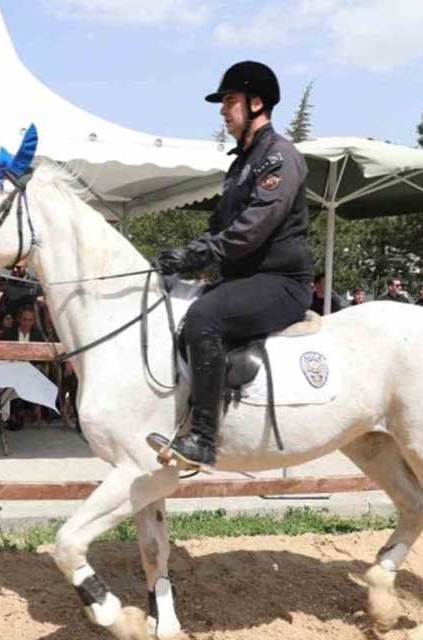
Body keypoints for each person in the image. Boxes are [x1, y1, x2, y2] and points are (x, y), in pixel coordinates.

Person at [147, 61, 313, 469]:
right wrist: (184, 255)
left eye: (230, 101)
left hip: (280, 281)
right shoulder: (242, 163)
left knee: (204, 317)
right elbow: (221, 226)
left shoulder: (280, 158)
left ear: (257, 103)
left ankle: (203, 438)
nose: (223, 111)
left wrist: (199, 256)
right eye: (224, 103)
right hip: (246, 278)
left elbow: (252, 229)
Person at [0, 261, 42, 330]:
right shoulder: (7, 282)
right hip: (9, 322)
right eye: (13, 267)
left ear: (25, 267)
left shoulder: (34, 283)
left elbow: (40, 303)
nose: (15, 270)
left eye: (18, 268)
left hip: (28, 323)